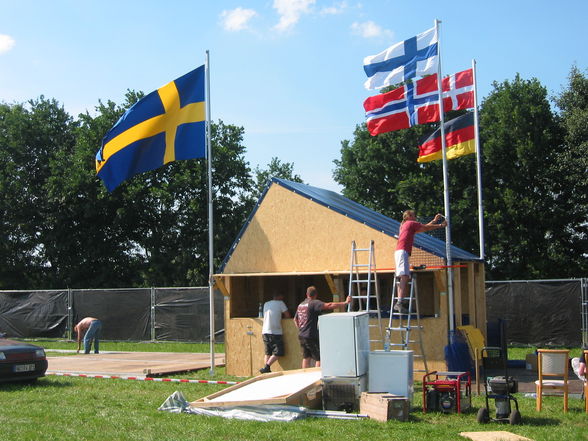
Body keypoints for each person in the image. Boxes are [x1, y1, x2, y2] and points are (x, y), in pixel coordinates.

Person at [394, 210, 447, 314]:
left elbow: (423, 228)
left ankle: (401, 302)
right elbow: (426, 228)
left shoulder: (405, 225)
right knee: (404, 277)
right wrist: (441, 225)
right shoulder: (410, 223)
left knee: (404, 276)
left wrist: (434, 221)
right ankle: (399, 303)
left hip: (401, 252)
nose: (415, 217)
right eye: (414, 215)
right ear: (409, 216)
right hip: (402, 252)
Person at [294, 286, 351, 368]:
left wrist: (301, 329)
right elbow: (329, 305)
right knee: (319, 358)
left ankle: (304, 377)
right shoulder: (314, 303)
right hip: (311, 335)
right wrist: (345, 303)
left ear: (307, 294)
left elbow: (295, 319)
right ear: (316, 295)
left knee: (306, 357)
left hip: (302, 335)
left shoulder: (301, 305)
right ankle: (318, 377)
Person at [259, 293, 291, 374]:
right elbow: (287, 315)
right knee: (279, 352)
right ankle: (267, 367)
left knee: (268, 352)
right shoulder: (281, 303)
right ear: (279, 296)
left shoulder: (266, 303)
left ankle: (266, 370)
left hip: (265, 331)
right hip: (275, 332)